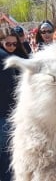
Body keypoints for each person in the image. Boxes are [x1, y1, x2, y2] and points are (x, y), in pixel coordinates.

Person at [0, 44, 16, 181]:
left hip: (3, 118)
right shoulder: (4, 56)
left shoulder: (3, 57)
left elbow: (9, 90)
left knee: (5, 160)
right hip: (5, 116)